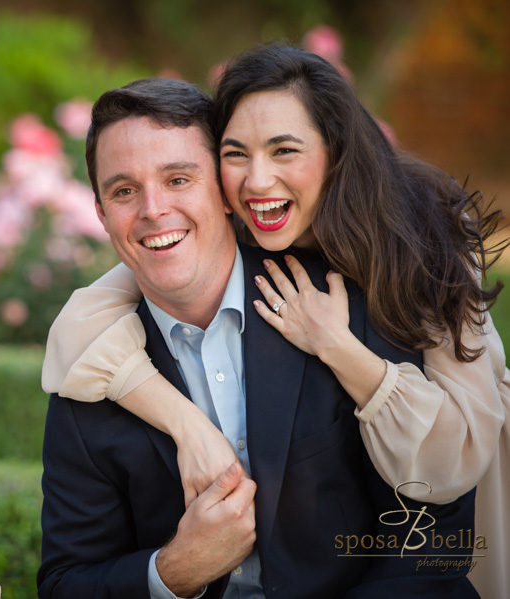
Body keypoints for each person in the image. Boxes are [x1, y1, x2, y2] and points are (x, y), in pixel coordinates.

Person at [42, 45, 508, 597]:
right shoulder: (93, 371)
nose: (259, 181)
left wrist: (340, 348)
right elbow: (67, 583)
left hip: (461, 446)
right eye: (123, 191)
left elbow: (433, 523)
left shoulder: (390, 274)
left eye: (178, 179)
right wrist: (173, 570)